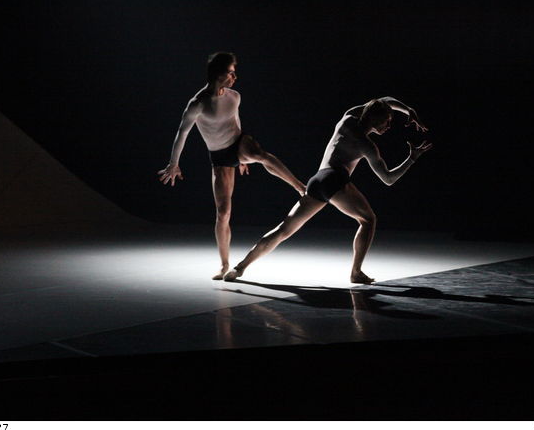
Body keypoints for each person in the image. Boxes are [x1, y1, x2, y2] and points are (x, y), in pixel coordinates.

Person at [224, 97, 432, 284]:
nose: (388, 126)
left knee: (283, 230)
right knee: (368, 220)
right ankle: (356, 272)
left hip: (317, 180)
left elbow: (383, 100)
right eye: (386, 121)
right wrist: (412, 159)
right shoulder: (367, 145)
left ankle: (239, 268)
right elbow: (388, 179)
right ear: (374, 118)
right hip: (335, 179)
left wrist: (408, 109)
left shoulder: (348, 118)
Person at [157, 52, 306, 280]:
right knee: (223, 212)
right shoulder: (198, 103)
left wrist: (243, 156)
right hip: (220, 156)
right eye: (231, 73)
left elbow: (236, 121)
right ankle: (224, 264)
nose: (235, 77)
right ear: (218, 74)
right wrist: (174, 163)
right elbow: (182, 133)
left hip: (239, 143)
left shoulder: (234, 96)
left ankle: (300, 187)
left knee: (259, 154)